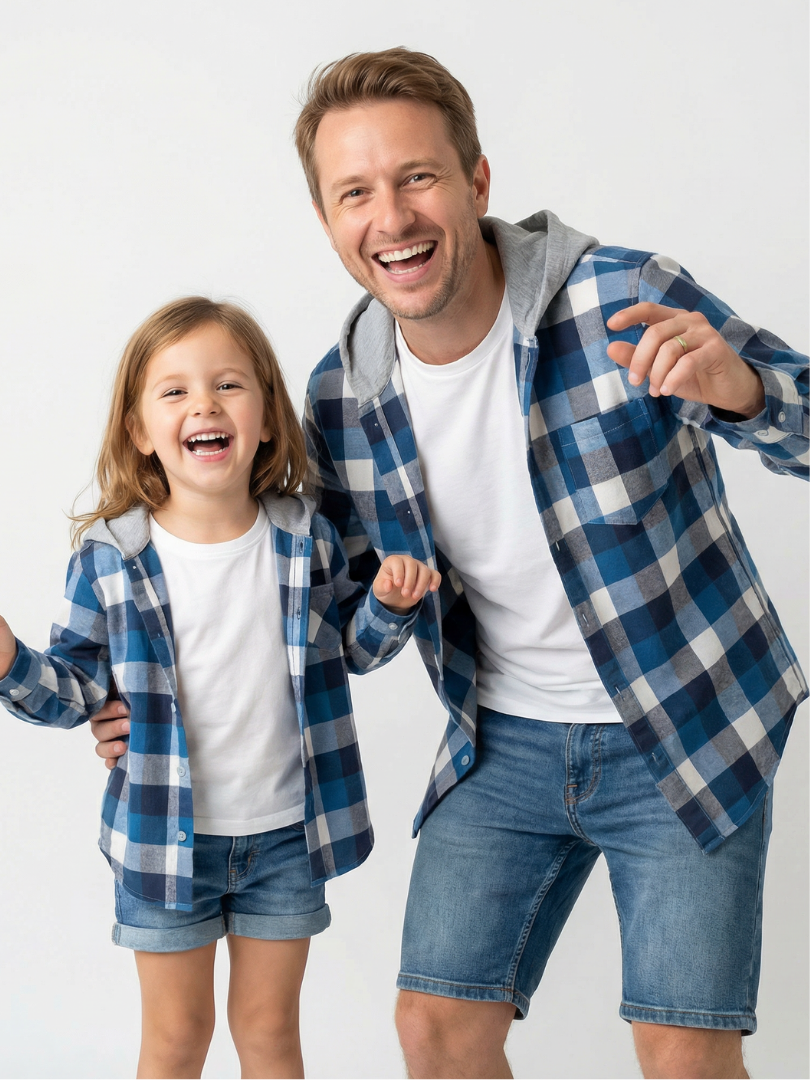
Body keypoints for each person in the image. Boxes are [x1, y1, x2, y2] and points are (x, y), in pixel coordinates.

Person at [93, 50, 809, 1079]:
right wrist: (140, 700)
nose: (391, 217)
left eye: (417, 177)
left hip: (681, 721)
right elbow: (325, 615)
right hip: (503, 743)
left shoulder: (620, 296)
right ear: (328, 220)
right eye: (355, 193)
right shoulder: (344, 394)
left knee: (682, 1050)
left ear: (476, 183)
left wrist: (744, 392)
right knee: (434, 1031)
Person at [0, 296, 438, 1079]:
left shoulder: (306, 537)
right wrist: (8, 663)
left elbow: (349, 654)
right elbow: (76, 690)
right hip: (164, 843)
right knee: (176, 1042)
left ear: (267, 416)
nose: (204, 404)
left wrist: (388, 607)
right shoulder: (112, 556)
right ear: (139, 431)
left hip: (285, 840)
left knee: (270, 1037)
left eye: (228, 385)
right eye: (174, 392)